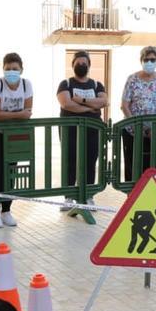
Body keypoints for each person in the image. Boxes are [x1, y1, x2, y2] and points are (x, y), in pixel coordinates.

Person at [0, 52, 32, 228]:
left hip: (13, 135)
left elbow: (29, 112)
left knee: (11, 172)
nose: (11, 72)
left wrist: (12, 116)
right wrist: (18, 114)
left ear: (21, 69)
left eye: (15, 69)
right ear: (3, 69)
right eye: (8, 69)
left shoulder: (27, 85)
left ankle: (7, 210)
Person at [56, 50, 107, 215]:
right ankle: (69, 196)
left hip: (92, 130)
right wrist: (91, 108)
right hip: (70, 130)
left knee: (90, 161)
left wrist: (82, 100)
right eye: (78, 62)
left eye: (84, 63)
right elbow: (67, 104)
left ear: (89, 65)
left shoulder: (97, 84)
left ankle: (88, 196)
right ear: (73, 65)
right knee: (70, 161)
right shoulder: (66, 84)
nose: (81, 65)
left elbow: (103, 101)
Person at [120, 46, 156, 181]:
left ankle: (152, 195)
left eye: (152, 59)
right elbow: (125, 105)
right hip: (134, 132)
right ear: (141, 60)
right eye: (146, 59)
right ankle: (133, 196)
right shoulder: (132, 79)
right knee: (134, 167)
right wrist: (137, 126)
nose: (149, 62)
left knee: (154, 166)